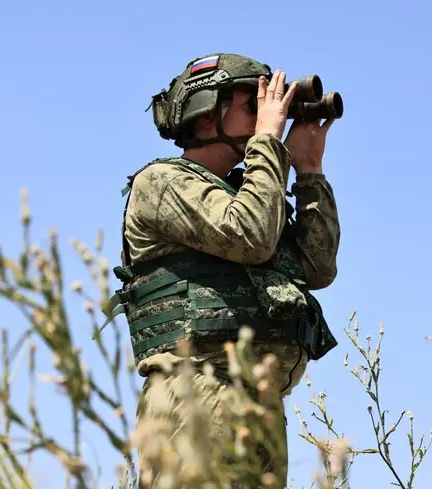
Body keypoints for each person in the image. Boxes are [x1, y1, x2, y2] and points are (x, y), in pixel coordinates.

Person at [106, 53, 341, 487]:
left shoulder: (250, 192)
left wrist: (308, 171)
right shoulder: (161, 183)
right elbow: (249, 237)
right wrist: (269, 143)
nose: (269, 112)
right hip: (196, 394)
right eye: (254, 103)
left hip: (259, 403)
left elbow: (318, 267)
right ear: (205, 117)